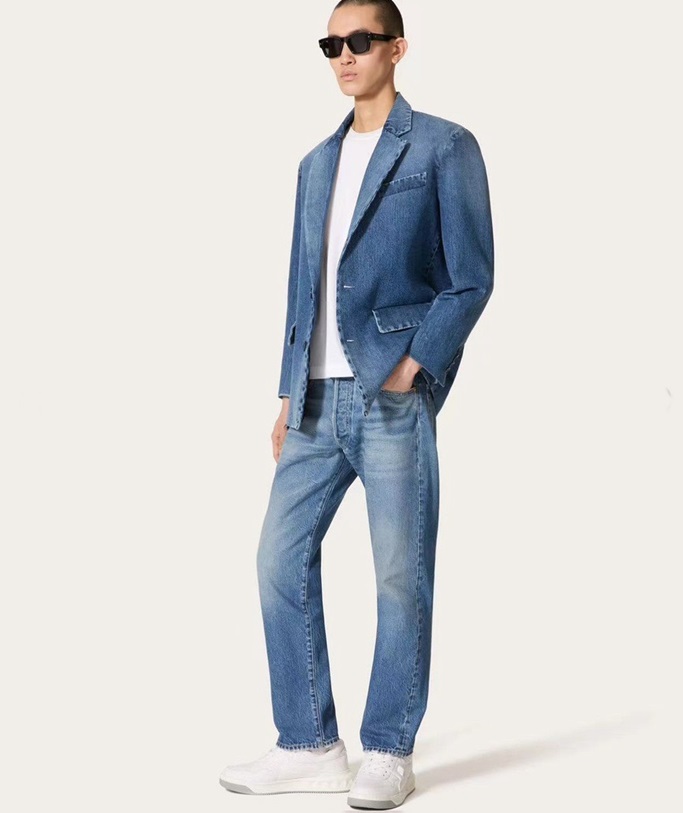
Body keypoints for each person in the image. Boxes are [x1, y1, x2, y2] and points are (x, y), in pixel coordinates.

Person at [219, 0, 494, 808]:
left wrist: (415, 365)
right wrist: (286, 389)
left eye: (359, 40)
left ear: (396, 48)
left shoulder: (441, 145)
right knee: (277, 560)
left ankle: (388, 746)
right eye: (331, 43)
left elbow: (472, 276)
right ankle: (307, 741)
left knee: (400, 577)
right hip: (314, 400)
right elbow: (301, 286)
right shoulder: (315, 163)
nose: (343, 54)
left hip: (388, 394)